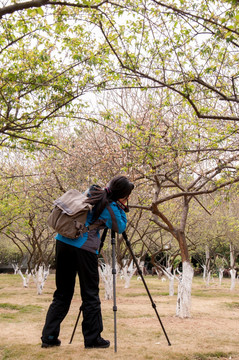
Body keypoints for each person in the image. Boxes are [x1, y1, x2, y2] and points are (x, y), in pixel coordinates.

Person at [41, 175, 134, 349]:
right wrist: (122, 206)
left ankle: (49, 336)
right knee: (90, 293)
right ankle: (92, 339)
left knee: (62, 292)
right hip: (83, 248)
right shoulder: (109, 206)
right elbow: (120, 227)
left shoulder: (93, 191)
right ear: (123, 195)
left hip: (62, 242)